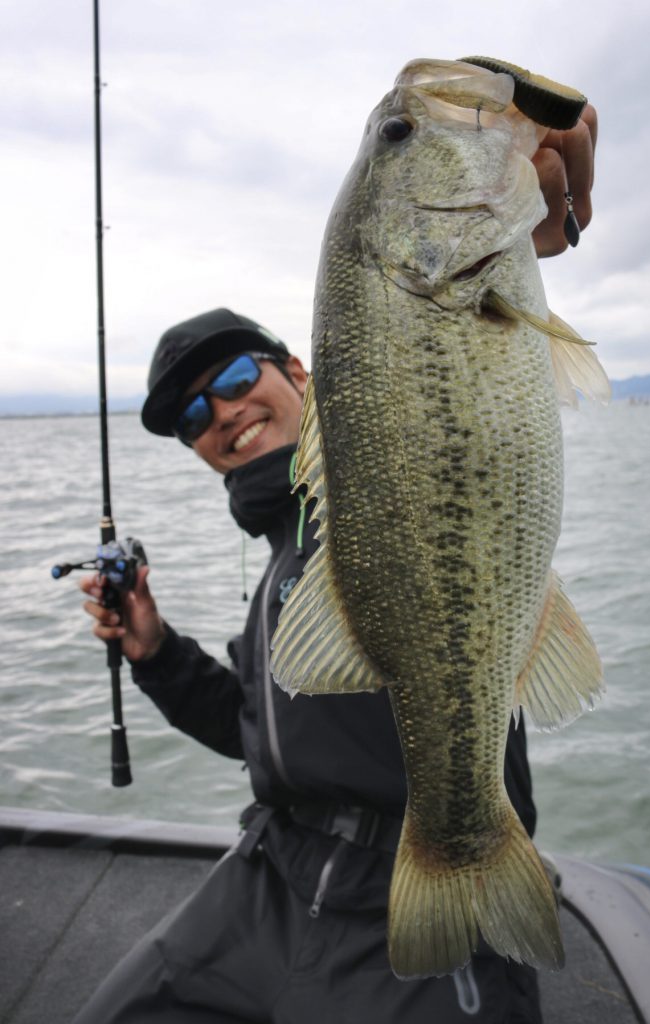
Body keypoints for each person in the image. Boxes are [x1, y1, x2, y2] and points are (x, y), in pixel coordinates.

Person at [75, 108, 597, 1024]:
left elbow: (459, 371)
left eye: (234, 380)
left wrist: (524, 227)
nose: (221, 413)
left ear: (300, 370)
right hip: (270, 874)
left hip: (398, 877)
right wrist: (153, 652)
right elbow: (257, 733)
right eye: (193, 415)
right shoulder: (281, 567)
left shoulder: (356, 504)